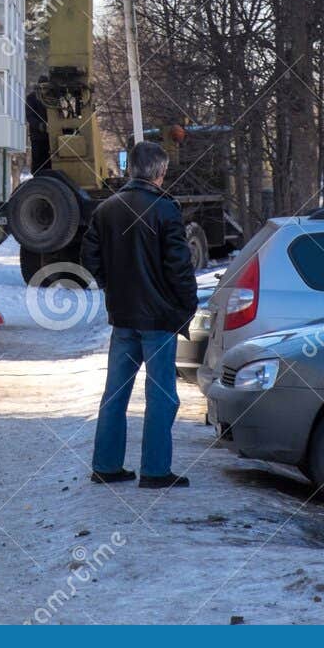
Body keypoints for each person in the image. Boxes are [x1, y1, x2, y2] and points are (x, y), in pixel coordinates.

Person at [81, 139, 198, 489]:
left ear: (132, 169)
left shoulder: (106, 210)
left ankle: (106, 465)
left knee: (114, 394)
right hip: (159, 319)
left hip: (123, 316)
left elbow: (90, 259)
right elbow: (179, 267)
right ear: (160, 172)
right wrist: (187, 305)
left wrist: (112, 287)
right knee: (161, 395)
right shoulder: (165, 209)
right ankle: (156, 470)